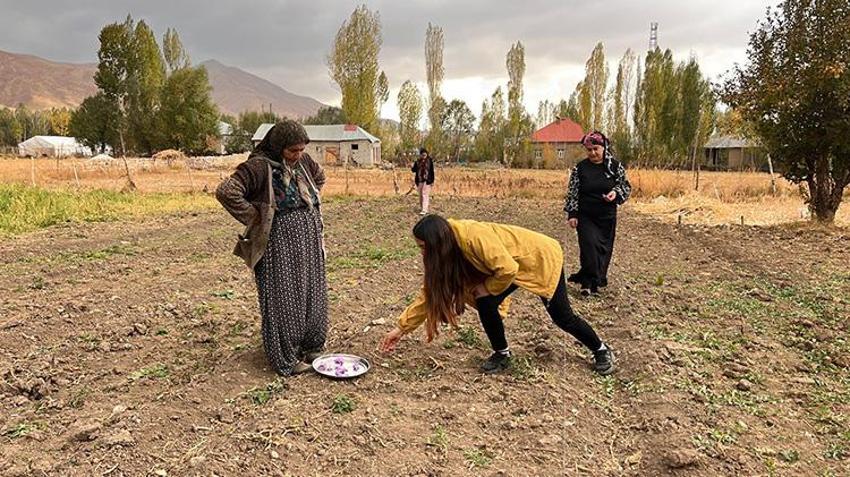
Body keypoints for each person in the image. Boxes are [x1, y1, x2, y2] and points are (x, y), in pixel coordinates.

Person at [379, 214, 614, 375]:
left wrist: (488, 288)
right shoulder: (448, 248)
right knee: (486, 304)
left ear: (436, 242)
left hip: (538, 258)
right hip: (510, 265)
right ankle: (502, 354)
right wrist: (400, 329)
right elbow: (430, 293)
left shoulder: (473, 236)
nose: (422, 252)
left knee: (562, 317)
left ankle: (601, 350)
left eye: (423, 247)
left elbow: (508, 269)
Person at [216, 120, 328, 376]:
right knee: (283, 294)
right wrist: (256, 216)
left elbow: (320, 178)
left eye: (301, 149)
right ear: (279, 147)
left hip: (308, 238)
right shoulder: (258, 167)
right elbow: (226, 191)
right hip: (278, 242)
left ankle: (311, 346)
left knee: (312, 289)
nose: (298, 155)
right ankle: (286, 356)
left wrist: (307, 199)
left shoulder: (305, 163)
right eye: (292, 151)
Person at [564, 131, 631, 296]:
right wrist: (572, 214)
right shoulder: (580, 168)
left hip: (606, 217)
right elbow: (573, 192)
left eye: (596, 148)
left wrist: (615, 193)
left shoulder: (615, 166)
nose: (593, 153)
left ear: (604, 147)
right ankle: (586, 285)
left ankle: (594, 282)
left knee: (602, 251)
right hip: (586, 215)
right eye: (589, 150)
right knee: (589, 248)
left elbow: (625, 186)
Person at [411, 147, 435, 215]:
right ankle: (423, 208)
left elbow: (432, 171)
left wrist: (432, 181)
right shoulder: (417, 161)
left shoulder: (429, 161)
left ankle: (424, 209)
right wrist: (411, 166)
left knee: (425, 194)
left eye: (425, 155)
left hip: (427, 180)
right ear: (420, 155)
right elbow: (414, 170)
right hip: (419, 180)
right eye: (422, 155)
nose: (424, 156)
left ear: (427, 154)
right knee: (420, 194)